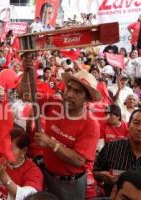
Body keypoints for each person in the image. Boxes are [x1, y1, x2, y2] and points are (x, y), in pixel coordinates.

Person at [24, 58, 101, 199]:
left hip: (70, 185)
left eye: (78, 92)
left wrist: (49, 143)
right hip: (47, 175)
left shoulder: (91, 124)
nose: (70, 94)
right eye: (69, 88)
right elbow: (24, 94)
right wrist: (26, 72)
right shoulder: (54, 103)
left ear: (87, 99)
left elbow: (79, 160)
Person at [94, 108, 141, 196]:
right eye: (136, 123)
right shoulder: (111, 147)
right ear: (128, 126)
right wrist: (102, 176)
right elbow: (94, 170)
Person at [0, 128, 44, 200]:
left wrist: (4, 177)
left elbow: (28, 198)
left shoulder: (34, 172)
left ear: (24, 151)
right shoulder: (0, 162)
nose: (5, 151)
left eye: (10, 148)